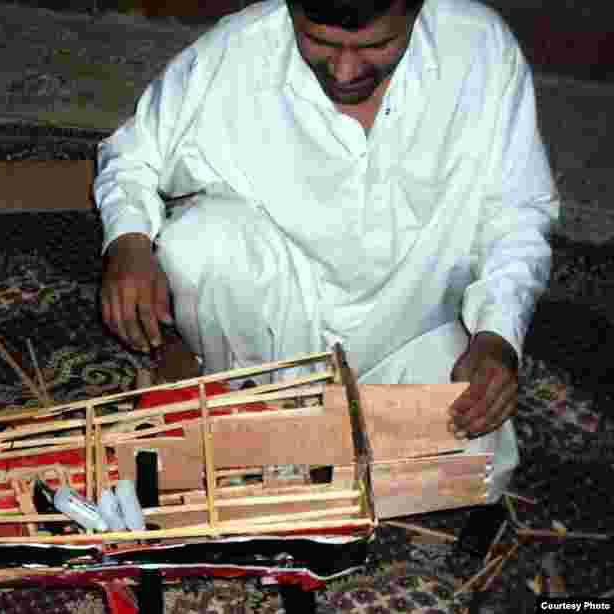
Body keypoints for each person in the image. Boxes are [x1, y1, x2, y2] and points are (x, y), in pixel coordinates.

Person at [94, 0, 559, 501]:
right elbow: (131, 156)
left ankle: (257, 427)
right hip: (277, 319)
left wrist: (497, 336)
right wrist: (128, 241)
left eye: (376, 45)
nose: (345, 70)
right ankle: (245, 398)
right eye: (321, 42)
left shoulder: (480, 48)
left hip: (409, 327)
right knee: (197, 246)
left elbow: (519, 210)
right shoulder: (240, 48)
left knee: (474, 473)